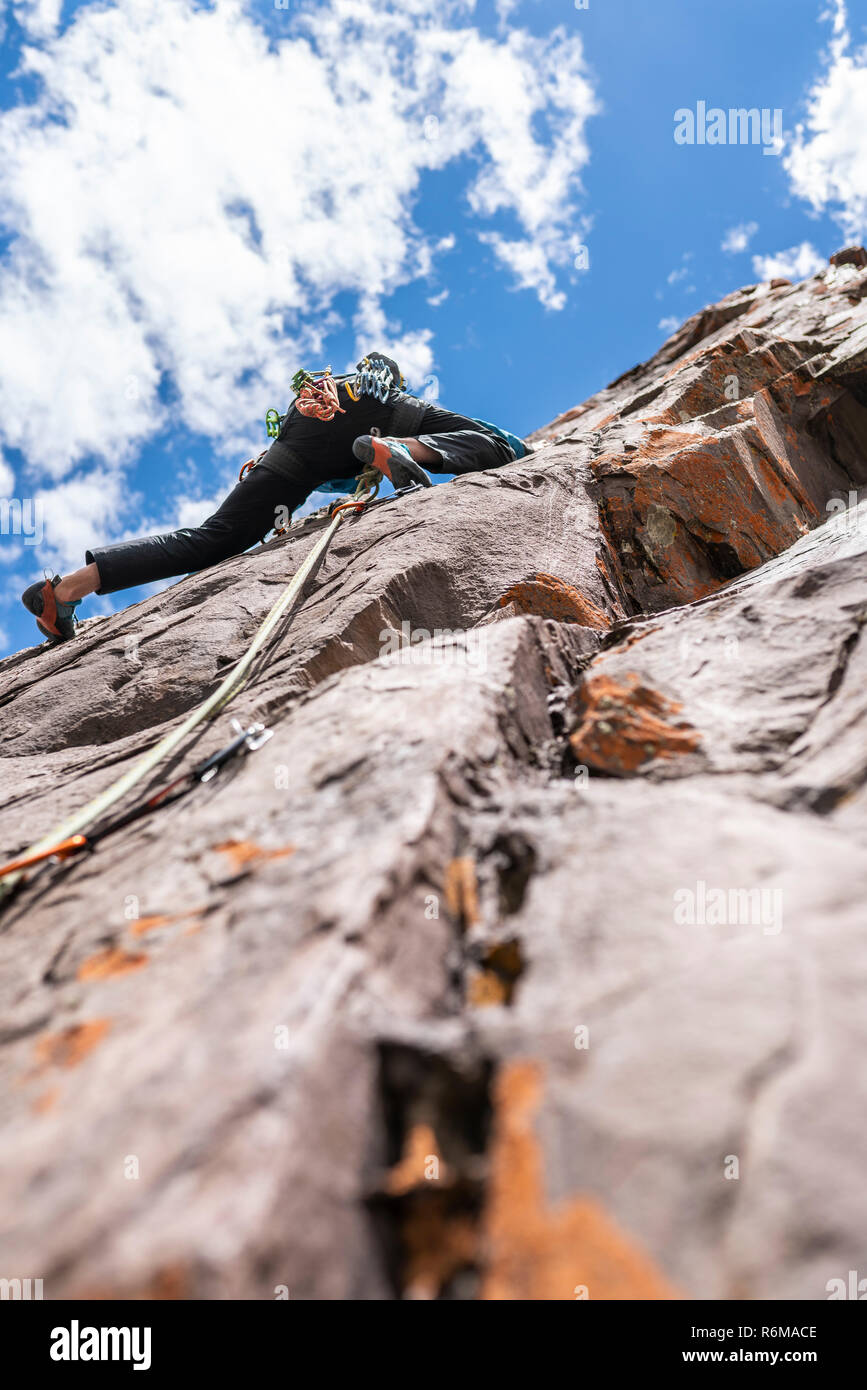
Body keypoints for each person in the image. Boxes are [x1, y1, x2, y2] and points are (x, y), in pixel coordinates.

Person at [21, 353, 527, 643]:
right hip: (377, 414)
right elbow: (381, 374)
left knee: (212, 539)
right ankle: (402, 448)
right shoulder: (381, 382)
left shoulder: (325, 389)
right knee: (506, 445)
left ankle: (65, 590)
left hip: (296, 440)